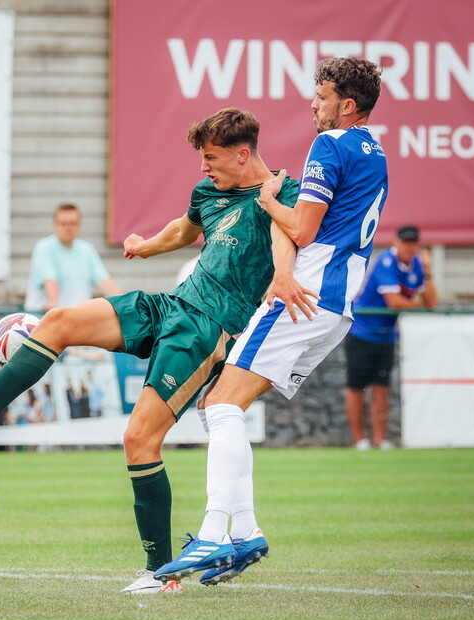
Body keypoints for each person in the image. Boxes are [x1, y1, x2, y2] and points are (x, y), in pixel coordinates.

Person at [0, 106, 301, 594]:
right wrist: (143, 245)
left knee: (139, 440)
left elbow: (294, 239)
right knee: (60, 320)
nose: (203, 167)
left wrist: (281, 270)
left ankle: (161, 573)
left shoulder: (284, 194)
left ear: (243, 154)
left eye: (211, 158)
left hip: (210, 329)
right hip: (172, 305)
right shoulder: (209, 192)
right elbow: (183, 230)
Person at [155, 57, 389, 587]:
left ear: (346, 106)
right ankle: (246, 532)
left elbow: (303, 228)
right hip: (335, 302)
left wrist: (267, 200)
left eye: (322, 95)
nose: (314, 103)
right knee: (223, 406)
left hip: (304, 292)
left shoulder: (330, 145)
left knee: (218, 402)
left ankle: (215, 534)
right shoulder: (375, 152)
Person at [345, 225, 437, 451]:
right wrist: (419, 308)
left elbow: (432, 302)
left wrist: (427, 270)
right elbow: (394, 302)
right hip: (362, 332)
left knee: (382, 388)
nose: (409, 247)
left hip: (386, 336)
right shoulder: (386, 261)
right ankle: (360, 441)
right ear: (396, 242)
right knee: (356, 387)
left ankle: (379, 439)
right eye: (405, 242)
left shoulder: (416, 264)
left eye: (413, 243)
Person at [23, 203, 122, 311]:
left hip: (78, 318)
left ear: (79, 225)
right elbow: (50, 281)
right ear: (54, 225)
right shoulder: (44, 247)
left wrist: (124, 304)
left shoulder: (87, 249)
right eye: (63, 224)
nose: (68, 228)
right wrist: (53, 302)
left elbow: (105, 282)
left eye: (73, 223)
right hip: (47, 318)